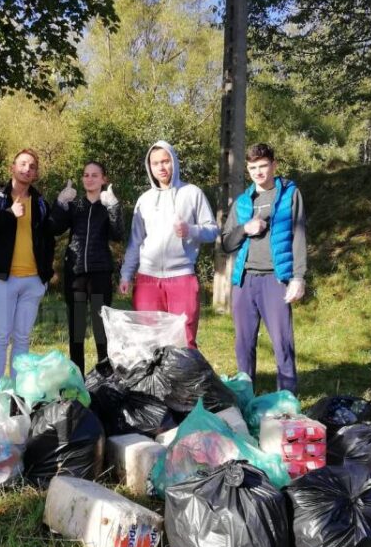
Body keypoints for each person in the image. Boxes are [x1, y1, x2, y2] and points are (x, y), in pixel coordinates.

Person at [221, 142, 307, 394]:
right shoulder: (242, 202)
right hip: (245, 280)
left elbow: (299, 237)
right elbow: (226, 242)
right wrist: (244, 229)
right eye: (253, 168)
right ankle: (245, 397)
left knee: (282, 343)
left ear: (274, 165)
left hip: (275, 279)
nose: (258, 172)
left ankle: (287, 400)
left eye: (263, 166)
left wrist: (298, 277)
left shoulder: (290, 195)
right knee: (243, 344)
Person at [118, 140, 219, 347]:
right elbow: (135, 242)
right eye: (155, 163)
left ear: (174, 162)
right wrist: (126, 274)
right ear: (150, 167)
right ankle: (154, 380)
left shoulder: (192, 193)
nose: (161, 167)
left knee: (184, 338)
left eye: (165, 161)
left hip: (182, 276)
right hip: (147, 278)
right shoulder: (144, 199)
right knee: (149, 339)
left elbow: (212, 231)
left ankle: (183, 379)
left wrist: (190, 230)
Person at [0, 149, 57, 387]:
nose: (27, 169)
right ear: (12, 167)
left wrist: (45, 275)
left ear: (36, 173)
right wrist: (9, 214)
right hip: (3, 278)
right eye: (22, 164)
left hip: (33, 281)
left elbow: (49, 237)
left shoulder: (40, 203)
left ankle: (19, 391)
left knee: (22, 338)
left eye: (31, 166)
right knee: (0, 336)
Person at [51, 162, 123, 375]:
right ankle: (78, 377)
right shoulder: (76, 205)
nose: (89, 179)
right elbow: (54, 227)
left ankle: (104, 376)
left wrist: (114, 207)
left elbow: (117, 234)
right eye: (85, 175)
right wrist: (60, 203)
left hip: (100, 272)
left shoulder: (107, 205)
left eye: (94, 175)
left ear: (104, 180)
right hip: (75, 273)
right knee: (77, 328)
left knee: (101, 328)